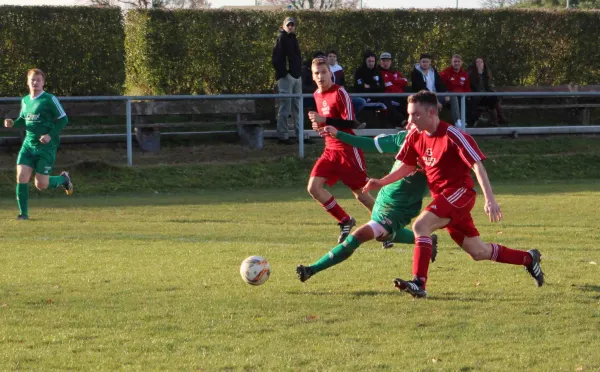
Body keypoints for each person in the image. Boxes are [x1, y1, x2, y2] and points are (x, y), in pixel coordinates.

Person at [363, 90, 544, 298]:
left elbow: (476, 164)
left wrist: (490, 199)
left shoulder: (453, 135)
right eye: (409, 114)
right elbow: (406, 167)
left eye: (415, 114)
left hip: (460, 194)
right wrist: (381, 181)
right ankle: (529, 259)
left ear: (431, 112)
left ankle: (419, 283)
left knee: (421, 226)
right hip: (443, 199)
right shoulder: (414, 135)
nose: (410, 120)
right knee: (478, 252)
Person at [296, 124, 438, 283]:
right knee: (384, 236)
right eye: (409, 117)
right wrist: (339, 134)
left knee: (358, 236)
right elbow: (369, 144)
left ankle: (311, 269)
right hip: (384, 198)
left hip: (401, 208)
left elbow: (445, 176)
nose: (408, 123)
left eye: (414, 117)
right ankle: (425, 240)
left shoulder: (435, 148)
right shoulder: (403, 137)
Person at [307, 57, 375, 244]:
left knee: (361, 193)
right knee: (313, 188)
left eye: (323, 72)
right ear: (312, 76)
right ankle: (345, 220)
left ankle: (385, 225)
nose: (320, 76)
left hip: (347, 148)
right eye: (316, 73)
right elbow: (325, 120)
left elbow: (351, 122)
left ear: (331, 73)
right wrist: (319, 126)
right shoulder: (316, 95)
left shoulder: (340, 93)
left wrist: (325, 120)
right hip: (330, 150)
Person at [3, 68, 74, 220]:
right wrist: (13, 123)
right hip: (28, 145)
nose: (35, 82)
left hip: (45, 148)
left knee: (41, 184)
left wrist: (49, 135)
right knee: (21, 176)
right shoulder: (25, 100)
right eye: (32, 80)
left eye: (38, 80)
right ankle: (23, 214)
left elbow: (63, 119)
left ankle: (63, 179)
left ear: (43, 83)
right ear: (28, 82)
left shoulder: (49, 99)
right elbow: (23, 119)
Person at [272, 16, 302, 145]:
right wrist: (286, 74)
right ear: (284, 26)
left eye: (292, 25)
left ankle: (299, 135)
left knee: (297, 108)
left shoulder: (293, 38)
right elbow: (276, 60)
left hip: (296, 76)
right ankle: (283, 136)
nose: (290, 27)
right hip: (286, 78)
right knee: (285, 107)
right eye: (288, 25)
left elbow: (297, 58)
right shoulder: (281, 38)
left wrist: (299, 73)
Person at [467, 57, 509, 126]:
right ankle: (498, 119)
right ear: (474, 64)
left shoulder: (486, 73)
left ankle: (496, 121)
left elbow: (487, 87)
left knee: (492, 97)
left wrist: (491, 92)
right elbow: (478, 89)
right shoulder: (471, 73)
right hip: (475, 98)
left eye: (481, 62)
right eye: (477, 62)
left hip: (485, 97)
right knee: (492, 98)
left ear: (484, 64)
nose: (479, 64)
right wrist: (479, 75)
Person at [440, 54, 470, 127]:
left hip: (462, 95)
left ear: (461, 62)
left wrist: (468, 96)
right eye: (455, 61)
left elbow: (467, 87)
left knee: (470, 101)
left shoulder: (464, 74)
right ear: (451, 62)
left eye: (458, 61)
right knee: (455, 97)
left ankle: (468, 122)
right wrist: (446, 93)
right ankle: (458, 121)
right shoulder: (445, 73)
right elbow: (440, 85)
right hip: (449, 96)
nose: (456, 63)